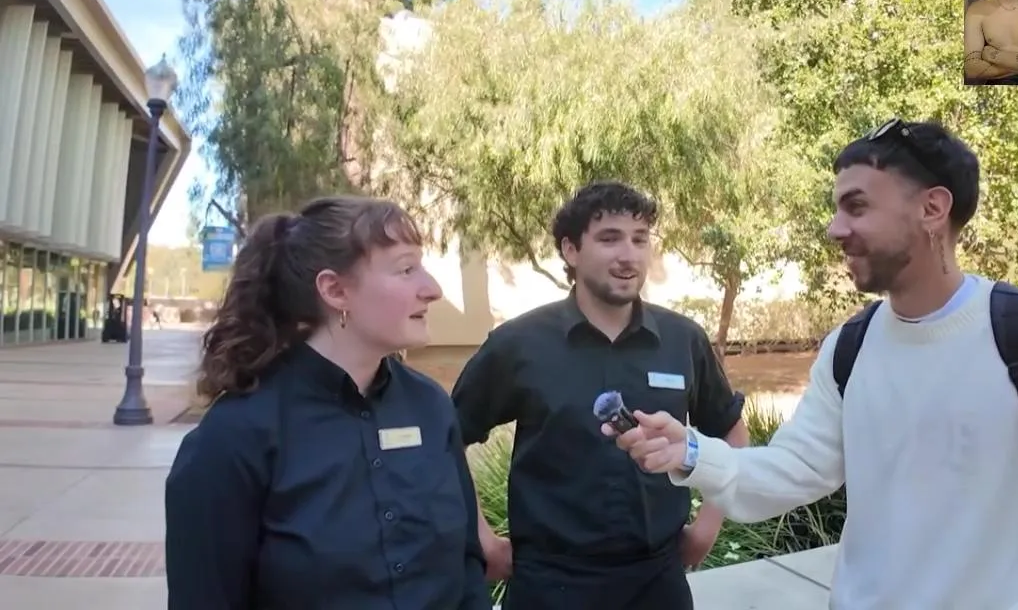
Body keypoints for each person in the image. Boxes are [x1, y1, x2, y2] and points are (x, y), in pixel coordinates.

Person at [607, 121, 1018, 610]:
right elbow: (793, 470)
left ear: (932, 208)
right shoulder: (849, 348)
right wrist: (690, 452)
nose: (835, 229)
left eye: (856, 207)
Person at [164, 196, 491, 610]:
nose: (432, 290)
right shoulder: (234, 437)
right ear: (335, 290)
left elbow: (466, 569)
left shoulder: (431, 407)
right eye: (406, 269)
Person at [451, 180, 748, 610]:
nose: (629, 255)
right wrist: (482, 539)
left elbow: (731, 431)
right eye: (610, 239)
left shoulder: (683, 340)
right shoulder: (518, 344)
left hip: (658, 582)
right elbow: (448, 438)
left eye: (639, 239)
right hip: (551, 584)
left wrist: (707, 527)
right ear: (571, 250)